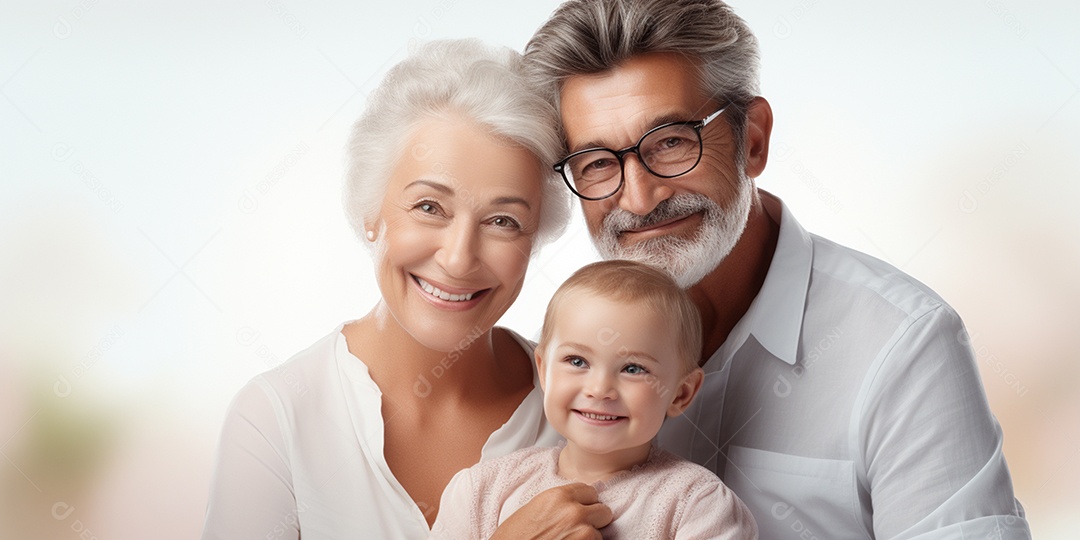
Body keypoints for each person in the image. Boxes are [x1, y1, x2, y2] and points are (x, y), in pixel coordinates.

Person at [501, 0, 1033, 538]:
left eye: (671, 143)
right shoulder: (557, 369)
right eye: (597, 163)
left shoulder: (901, 345)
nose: (638, 199)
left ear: (752, 140)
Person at [200, 38, 573, 539]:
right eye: (428, 207)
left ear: (536, 239)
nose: (459, 257)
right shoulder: (277, 418)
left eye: (503, 220)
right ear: (370, 209)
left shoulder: (586, 407)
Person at [430, 260, 758, 539]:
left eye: (633, 368)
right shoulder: (480, 490)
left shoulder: (697, 505)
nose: (600, 389)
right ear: (544, 371)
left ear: (681, 393)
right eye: (577, 362)